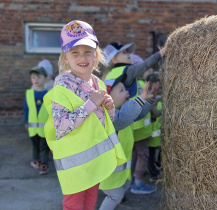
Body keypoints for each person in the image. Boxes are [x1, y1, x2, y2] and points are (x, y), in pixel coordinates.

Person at [43, 20, 126, 210]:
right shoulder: (63, 86)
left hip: (93, 160)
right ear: (66, 57)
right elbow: (61, 126)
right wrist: (90, 105)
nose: (83, 57)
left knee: (89, 205)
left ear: (96, 54)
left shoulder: (97, 83)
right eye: (75, 52)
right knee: (74, 206)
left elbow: (105, 122)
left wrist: (110, 107)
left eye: (88, 51)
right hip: (74, 164)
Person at [103, 42, 162, 194]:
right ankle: (126, 188)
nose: (129, 54)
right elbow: (144, 66)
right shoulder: (125, 72)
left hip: (130, 124)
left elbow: (138, 114)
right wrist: (161, 53)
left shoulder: (111, 76)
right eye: (124, 53)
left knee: (129, 160)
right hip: (130, 126)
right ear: (114, 59)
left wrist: (149, 99)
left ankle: (120, 190)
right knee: (137, 156)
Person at [98, 73, 159, 210]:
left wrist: (149, 99)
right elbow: (126, 116)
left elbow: (139, 113)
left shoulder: (123, 111)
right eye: (121, 90)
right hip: (109, 174)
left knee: (124, 187)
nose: (127, 92)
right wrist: (141, 97)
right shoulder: (110, 118)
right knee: (115, 196)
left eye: (125, 89)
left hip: (120, 172)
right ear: (107, 99)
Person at [23, 66, 50, 175]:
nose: (36, 80)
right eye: (33, 77)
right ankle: (36, 161)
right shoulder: (29, 94)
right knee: (35, 146)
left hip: (45, 128)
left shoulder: (49, 94)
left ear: (45, 78)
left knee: (44, 147)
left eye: (39, 77)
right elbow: (26, 109)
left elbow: (50, 111)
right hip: (33, 127)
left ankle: (44, 165)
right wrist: (26, 122)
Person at [146, 73, 162, 180]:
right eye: (160, 87)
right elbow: (155, 113)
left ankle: (156, 169)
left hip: (157, 132)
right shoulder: (151, 97)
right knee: (150, 154)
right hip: (151, 132)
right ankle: (153, 174)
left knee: (156, 152)